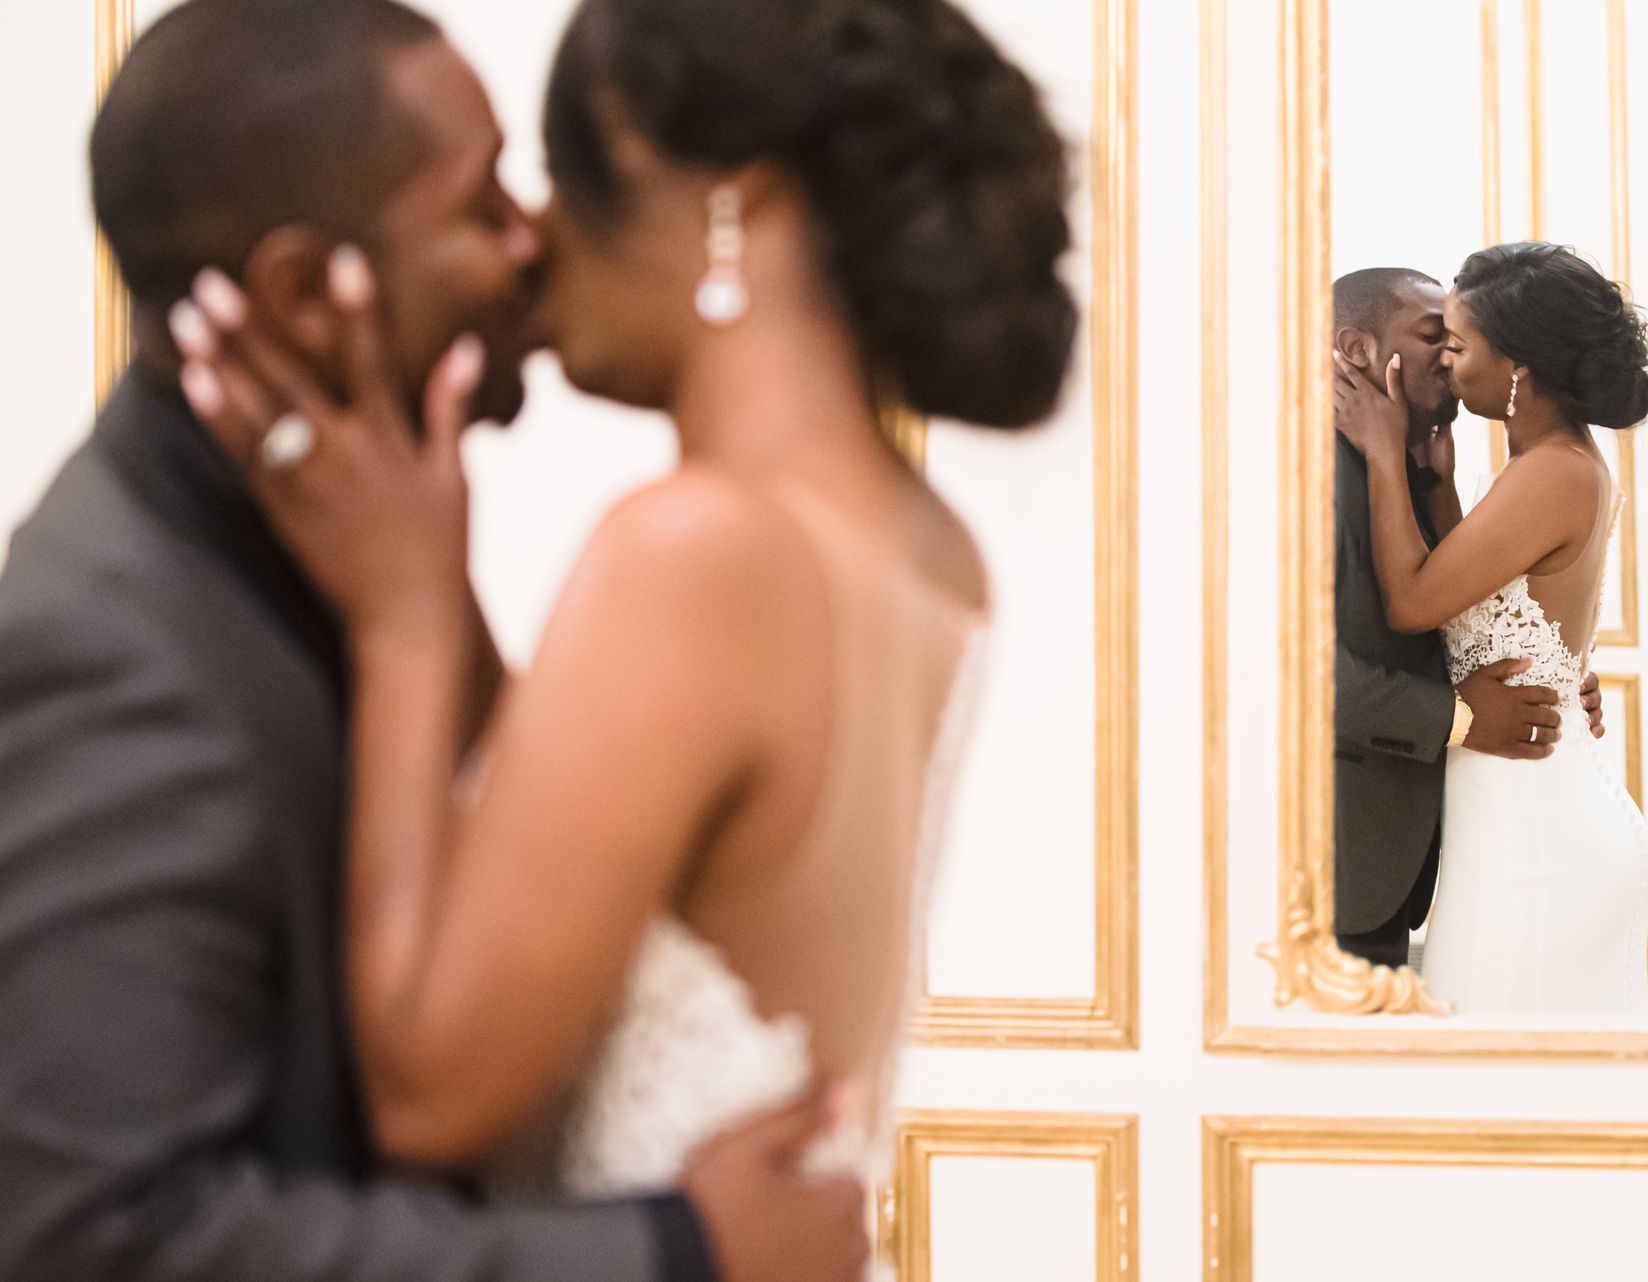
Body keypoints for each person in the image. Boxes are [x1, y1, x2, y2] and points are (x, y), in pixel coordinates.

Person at [0, 3, 865, 1280]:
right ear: (308, 293)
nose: (533, 243)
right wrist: (669, 1250)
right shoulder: (115, 652)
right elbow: (99, 1236)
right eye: (481, 206)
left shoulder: (357, 548)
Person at [177, 0, 1072, 1211]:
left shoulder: (696, 552)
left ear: (736, 204)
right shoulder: (926, 547)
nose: (535, 238)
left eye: (567, 173)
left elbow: (430, 1089)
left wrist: (404, 620)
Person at [1332, 242, 1648, 1015]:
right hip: (1509, 818)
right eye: (1436, 339)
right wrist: (1554, 667)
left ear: (1517, 367)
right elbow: (1473, 598)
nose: (1447, 360)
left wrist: (1386, 458)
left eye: (1458, 342)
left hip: (1535, 826)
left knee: (1502, 1054)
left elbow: (1414, 603)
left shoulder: (1554, 469)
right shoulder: (1532, 465)